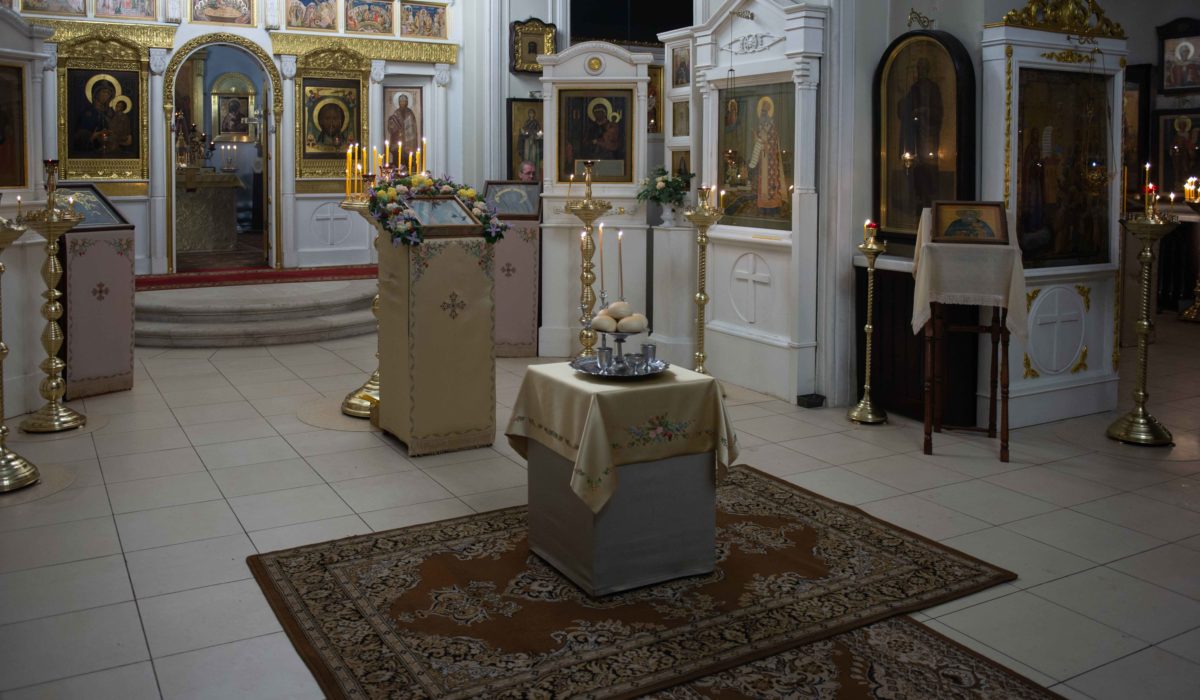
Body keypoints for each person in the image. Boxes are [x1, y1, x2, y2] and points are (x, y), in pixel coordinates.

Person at [897, 57, 943, 210]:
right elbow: (905, 110)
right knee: (917, 168)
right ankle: (918, 199)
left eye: (923, 68)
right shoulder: (914, 88)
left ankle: (929, 198)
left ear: (927, 70)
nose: (920, 71)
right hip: (916, 136)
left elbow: (938, 112)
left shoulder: (934, 88)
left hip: (929, 135)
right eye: (919, 68)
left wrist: (924, 111)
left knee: (929, 168)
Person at [73, 78, 132, 156]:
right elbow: (79, 136)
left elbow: (122, 131)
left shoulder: (112, 113)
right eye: (104, 92)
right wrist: (95, 135)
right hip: (92, 152)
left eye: (109, 93)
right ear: (96, 93)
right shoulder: (88, 113)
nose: (106, 95)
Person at [747, 96, 785, 215]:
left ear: (769, 110)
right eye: (762, 110)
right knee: (762, 181)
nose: (763, 113)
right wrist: (757, 139)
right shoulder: (760, 126)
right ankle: (763, 206)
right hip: (763, 158)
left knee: (771, 181)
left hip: (771, 159)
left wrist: (764, 143)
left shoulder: (772, 126)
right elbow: (758, 141)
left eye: (765, 109)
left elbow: (773, 142)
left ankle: (773, 206)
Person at [387, 92, 419, 159]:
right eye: (401, 101)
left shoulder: (410, 113)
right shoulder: (396, 113)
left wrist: (406, 131)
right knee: (398, 155)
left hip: (409, 140)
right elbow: (391, 128)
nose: (402, 103)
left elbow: (413, 128)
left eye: (404, 101)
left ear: (407, 102)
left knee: (408, 157)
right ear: (399, 103)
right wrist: (391, 122)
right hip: (398, 139)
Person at [518, 108, 541, 173]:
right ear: (528, 114)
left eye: (532, 113)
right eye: (530, 113)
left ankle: (533, 168)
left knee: (533, 155)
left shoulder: (536, 122)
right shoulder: (527, 122)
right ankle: (527, 168)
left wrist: (537, 134)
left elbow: (539, 131)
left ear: (534, 114)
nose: (531, 114)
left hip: (534, 140)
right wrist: (524, 132)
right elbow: (524, 130)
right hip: (527, 140)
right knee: (527, 154)